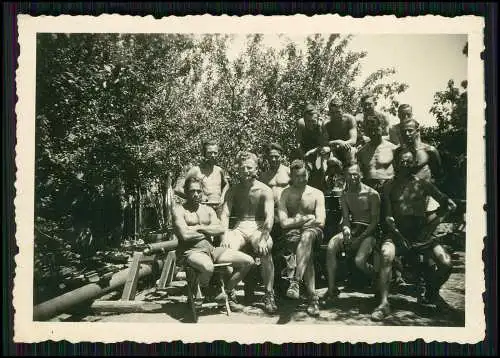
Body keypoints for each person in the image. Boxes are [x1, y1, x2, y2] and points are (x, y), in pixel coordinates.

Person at [377, 150, 457, 320]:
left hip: (422, 235)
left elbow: (450, 205)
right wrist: (399, 237)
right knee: (386, 254)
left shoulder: (423, 184)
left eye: (408, 161)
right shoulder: (388, 186)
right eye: (401, 161)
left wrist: (433, 224)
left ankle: (431, 292)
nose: (404, 164)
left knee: (446, 263)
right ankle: (383, 303)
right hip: (396, 233)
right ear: (396, 163)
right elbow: (388, 218)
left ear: (413, 164)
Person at [172, 176, 254, 306]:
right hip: (190, 251)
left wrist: (200, 228)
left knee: (248, 261)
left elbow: (221, 229)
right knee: (208, 267)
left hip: (211, 250)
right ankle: (205, 290)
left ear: (202, 192)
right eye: (192, 191)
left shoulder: (208, 210)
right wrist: (208, 231)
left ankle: (226, 290)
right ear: (186, 192)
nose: (196, 194)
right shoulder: (179, 211)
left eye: (199, 191)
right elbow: (185, 236)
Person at [220, 151, 278, 314]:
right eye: (242, 167)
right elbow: (225, 214)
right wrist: (224, 234)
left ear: (256, 169)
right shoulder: (233, 190)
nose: (245, 170)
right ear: (237, 169)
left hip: (258, 226)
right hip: (239, 226)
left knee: (265, 249)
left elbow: (269, 216)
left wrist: (264, 236)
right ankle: (229, 292)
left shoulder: (264, 190)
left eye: (249, 167)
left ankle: (268, 293)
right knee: (226, 249)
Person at [324, 164, 380, 305]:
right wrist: (346, 229)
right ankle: (331, 289)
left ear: (361, 174)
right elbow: (346, 219)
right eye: (349, 174)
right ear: (345, 176)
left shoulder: (372, 194)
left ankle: (378, 278)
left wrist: (359, 239)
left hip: (370, 232)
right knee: (331, 245)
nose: (352, 177)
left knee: (359, 261)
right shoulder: (345, 195)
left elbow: (374, 223)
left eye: (355, 174)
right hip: (354, 229)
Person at [276, 160, 326, 316]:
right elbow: (283, 223)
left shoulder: (317, 193)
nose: (302, 179)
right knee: (307, 253)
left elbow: (321, 221)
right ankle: (313, 299)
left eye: (304, 175)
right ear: (292, 176)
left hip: (314, 232)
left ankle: (296, 282)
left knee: (307, 237)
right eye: (298, 176)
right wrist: (305, 218)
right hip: (292, 234)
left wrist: (299, 221)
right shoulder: (285, 193)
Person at [393, 119, 444, 217]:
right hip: (406, 200)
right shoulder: (398, 152)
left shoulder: (430, 151)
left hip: (427, 199)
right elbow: (398, 174)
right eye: (404, 131)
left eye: (410, 130)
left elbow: (439, 175)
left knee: (428, 229)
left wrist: (431, 191)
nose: (407, 134)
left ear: (417, 131)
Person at [174, 139, 230, 216]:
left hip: (219, 209)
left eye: (215, 153)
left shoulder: (219, 170)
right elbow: (177, 189)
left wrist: (222, 198)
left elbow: (226, 185)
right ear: (204, 153)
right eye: (210, 153)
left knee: (219, 228)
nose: (213, 155)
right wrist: (197, 197)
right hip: (202, 209)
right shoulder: (195, 170)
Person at [259, 143, 290, 241]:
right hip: (271, 211)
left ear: (282, 156)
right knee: (273, 238)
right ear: (267, 157)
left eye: (276, 156)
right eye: (271, 157)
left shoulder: (289, 172)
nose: (273, 159)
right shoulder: (263, 176)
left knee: (287, 238)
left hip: (287, 210)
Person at [322, 97, 358, 167]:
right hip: (334, 150)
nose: (335, 115)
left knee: (351, 151)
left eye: (338, 112)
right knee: (324, 152)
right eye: (332, 113)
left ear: (343, 110)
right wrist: (338, 141)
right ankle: (326, 176)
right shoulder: (326, 124)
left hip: (347, 148)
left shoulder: (349, 119)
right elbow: (324, 142)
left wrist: (342, 143)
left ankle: (350, 174)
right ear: (329, 112)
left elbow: (353, 140)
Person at [296, 104, 324, 171]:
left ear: (317, 119)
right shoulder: (300, 124)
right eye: (308, 121)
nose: (311, 124)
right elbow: (298, 143)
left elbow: (324, 145)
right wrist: (304, 157)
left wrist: (320, 128)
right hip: (305, 148)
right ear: (304, 119)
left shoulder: (322, 124)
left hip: (319, 149)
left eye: (313, 121)